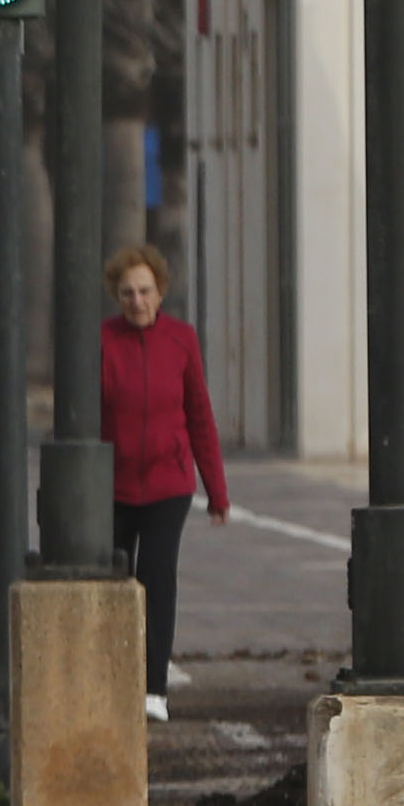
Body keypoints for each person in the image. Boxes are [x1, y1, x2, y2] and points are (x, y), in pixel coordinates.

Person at [100, 242, 228, 726]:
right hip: (112, 488)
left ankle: (154, 687)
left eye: (145, 291)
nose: (137, 301)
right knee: (114, 584)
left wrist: (216, 491)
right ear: (117, 296)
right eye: (128, 292)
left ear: (161, 293)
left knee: (157, 580)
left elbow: (199, 416)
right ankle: (113, 678)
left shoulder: (182, 341)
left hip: (167, 486)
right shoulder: (102, 342)